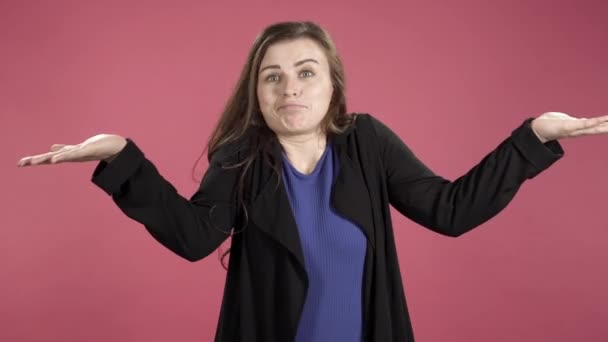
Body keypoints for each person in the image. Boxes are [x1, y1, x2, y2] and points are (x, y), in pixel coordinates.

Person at [16, 21, 608, 342]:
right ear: (258, 94)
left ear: (332, 85)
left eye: (305, 72)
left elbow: (449, 210)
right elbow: (195, 236)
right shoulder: (242, 154)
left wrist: (531, 138)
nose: (289, 88)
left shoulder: (368, 142)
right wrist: (123, 157)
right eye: (272, 77)